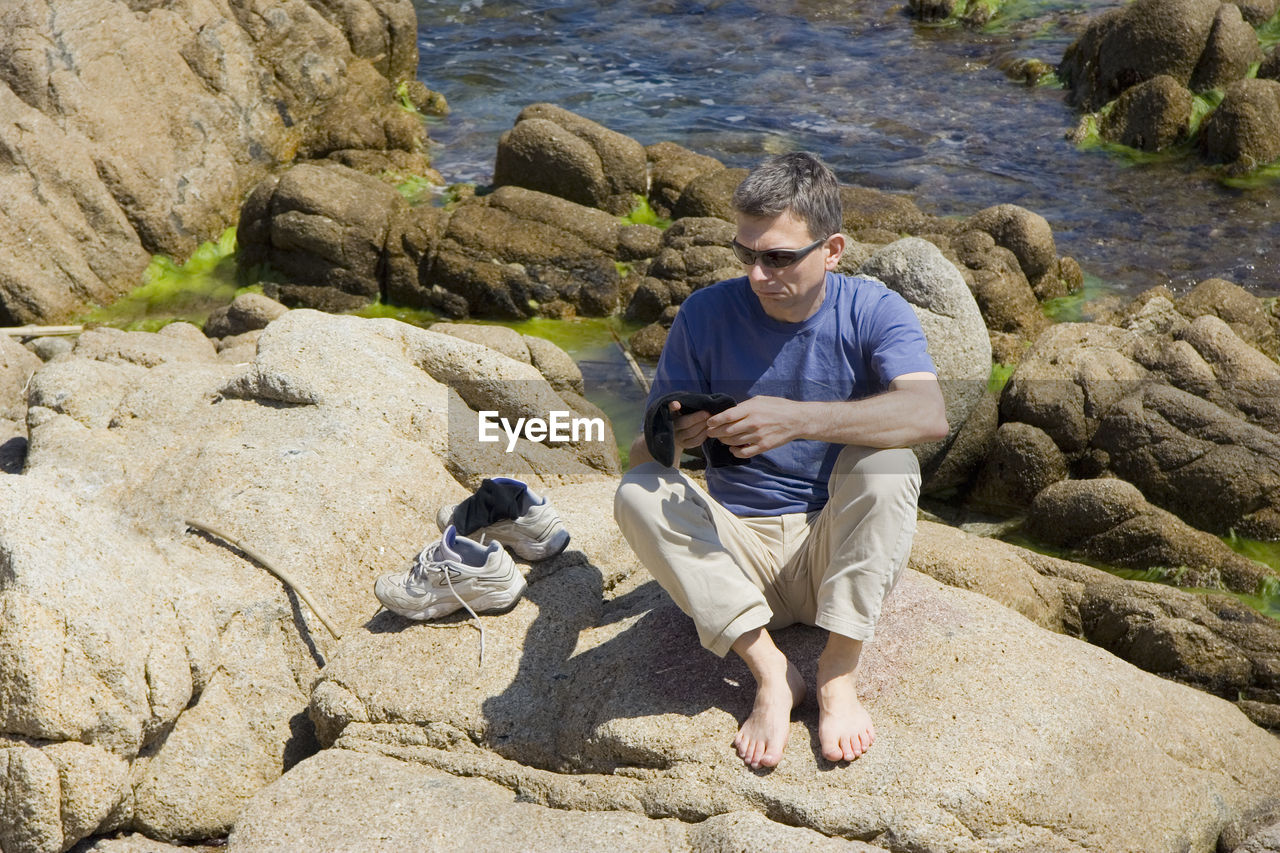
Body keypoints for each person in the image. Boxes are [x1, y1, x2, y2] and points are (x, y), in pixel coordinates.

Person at [613, 152, 948, 770]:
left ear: (834, 249)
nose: (758, 274)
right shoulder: (706, 314)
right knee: (637, 491)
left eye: (777, 257)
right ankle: (773, 675)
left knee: (892, 466)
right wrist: (677, 438)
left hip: (830, 547)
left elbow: (928, 414)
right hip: (740, 552)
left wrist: (796, 417)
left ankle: (835, 675)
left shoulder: (874, 310)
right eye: (746, 254)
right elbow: (640, 458)